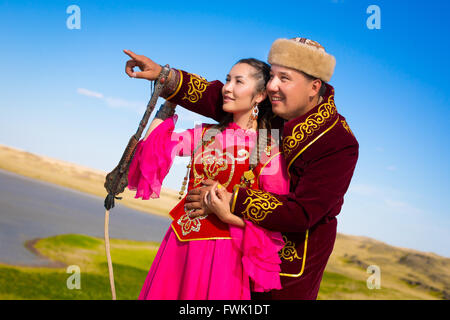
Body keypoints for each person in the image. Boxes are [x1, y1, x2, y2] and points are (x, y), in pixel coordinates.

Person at [123, 36, 359, 300]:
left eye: (284, 78)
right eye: (271, 77)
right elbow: (218, 96)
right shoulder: (275, 104)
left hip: (288, 263)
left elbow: (303, 212)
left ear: (314, 86)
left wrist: (228, 201)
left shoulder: (338, 143)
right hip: (234, 246)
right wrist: (166, 76)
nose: (272, 86)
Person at [126, 57, 291, 299]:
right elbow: (152, 148)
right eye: (227, 80)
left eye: (238, 82)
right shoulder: (206, 134)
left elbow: (275, 219)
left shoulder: (268, 150)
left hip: (224, 256)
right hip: (179, 243)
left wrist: (227, 214)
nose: (227, 88)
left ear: (259, 96)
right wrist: (169, 103)